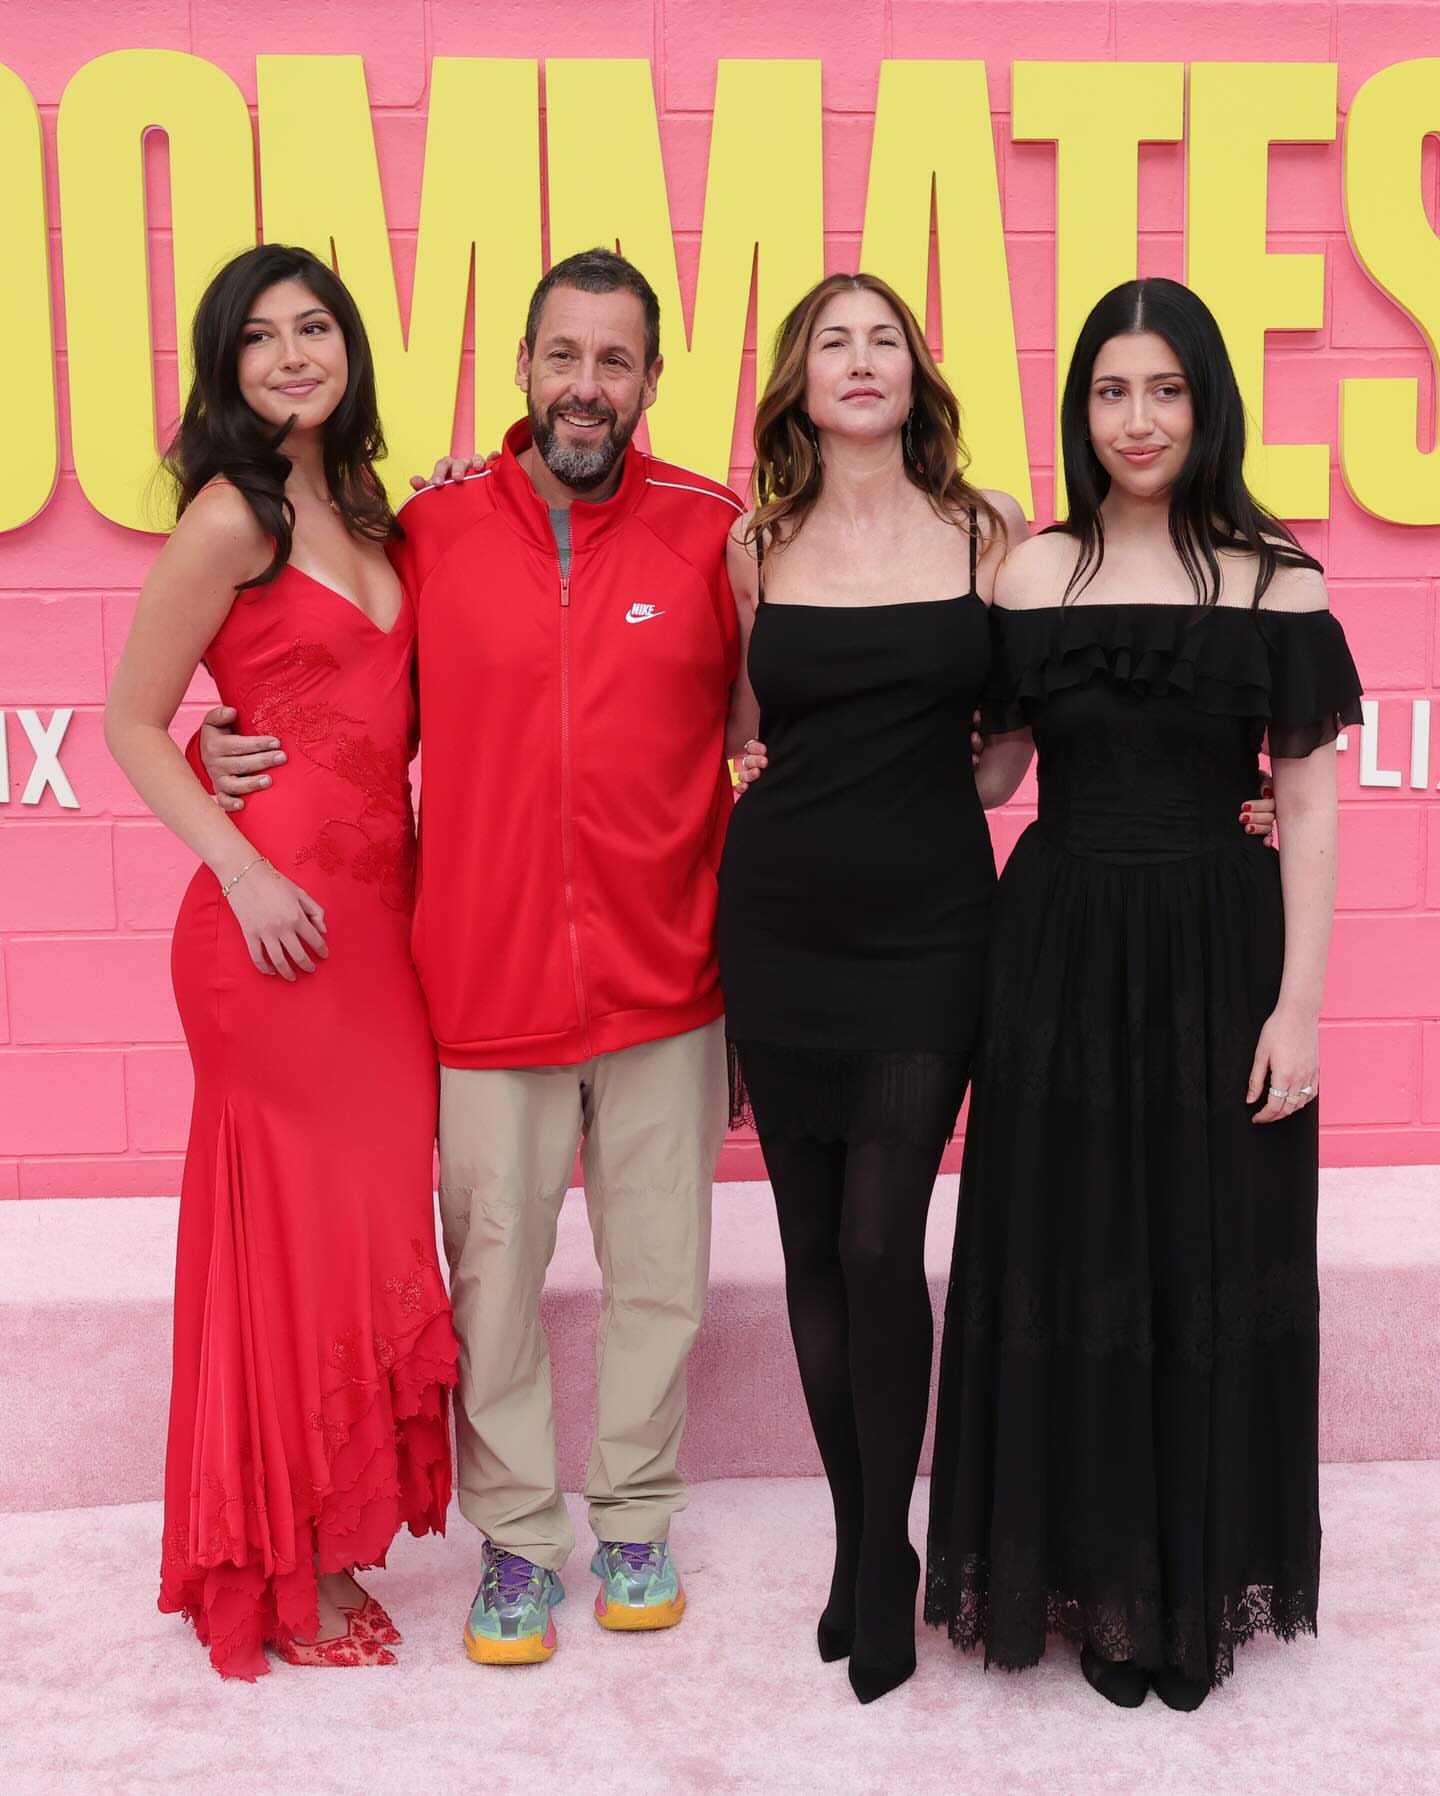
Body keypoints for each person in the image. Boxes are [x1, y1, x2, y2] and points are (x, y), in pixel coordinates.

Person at [199, 248, 751, 1665]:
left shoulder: (710, 530)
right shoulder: (428, 529)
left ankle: (633, 1515)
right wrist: (218, 741)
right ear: (523, 366)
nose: (587, 385)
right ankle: (519, 1545)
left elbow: (773, 732)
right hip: (482, 981)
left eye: (615, 360)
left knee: (659, 1275)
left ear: (649, 379)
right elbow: (323, 668)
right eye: (562, 355)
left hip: (669, 982)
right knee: (491, 1278)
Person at [924, 278, 1362, 1711]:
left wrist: (1297, 1008)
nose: (1138, 418)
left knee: (1207, 1253)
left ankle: (1192, 1593)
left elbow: (1305, 796)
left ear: (1207, 402)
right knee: (1079, 1250)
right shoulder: (1029, 575)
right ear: (1081, 410)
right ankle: (1101, 1597)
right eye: (1112, 391)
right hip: (1056, 949)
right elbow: (988, 770)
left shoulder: (1274, 576)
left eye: (1164, 389)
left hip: (1220, 950)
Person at [104, 244, 457, 1680]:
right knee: (289, 1249)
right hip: (270, 934)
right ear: (226, 367)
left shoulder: (377, 517)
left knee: (365, 1232)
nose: (294, 355)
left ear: (351, 349)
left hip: (385, 930)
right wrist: (239, 862)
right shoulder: (226, 516)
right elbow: (131, 717)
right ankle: (280, 1572)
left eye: (316, 328)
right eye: (261, 339)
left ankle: (321, 1529)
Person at [716, 272, 1029, 1704]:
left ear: (915, 377)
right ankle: (856, 1546)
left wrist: (949, 788)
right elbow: (742, 733)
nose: (859, 361)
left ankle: (890, 1554)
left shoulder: (983, 533)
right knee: (808, 1247)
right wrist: (758, 776)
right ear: (799, 382)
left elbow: (1013, 739)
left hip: (927, 933)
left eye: (882, 341)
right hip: (780, 926)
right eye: (832, 343)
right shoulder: (755, 543)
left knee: (877, 1240)